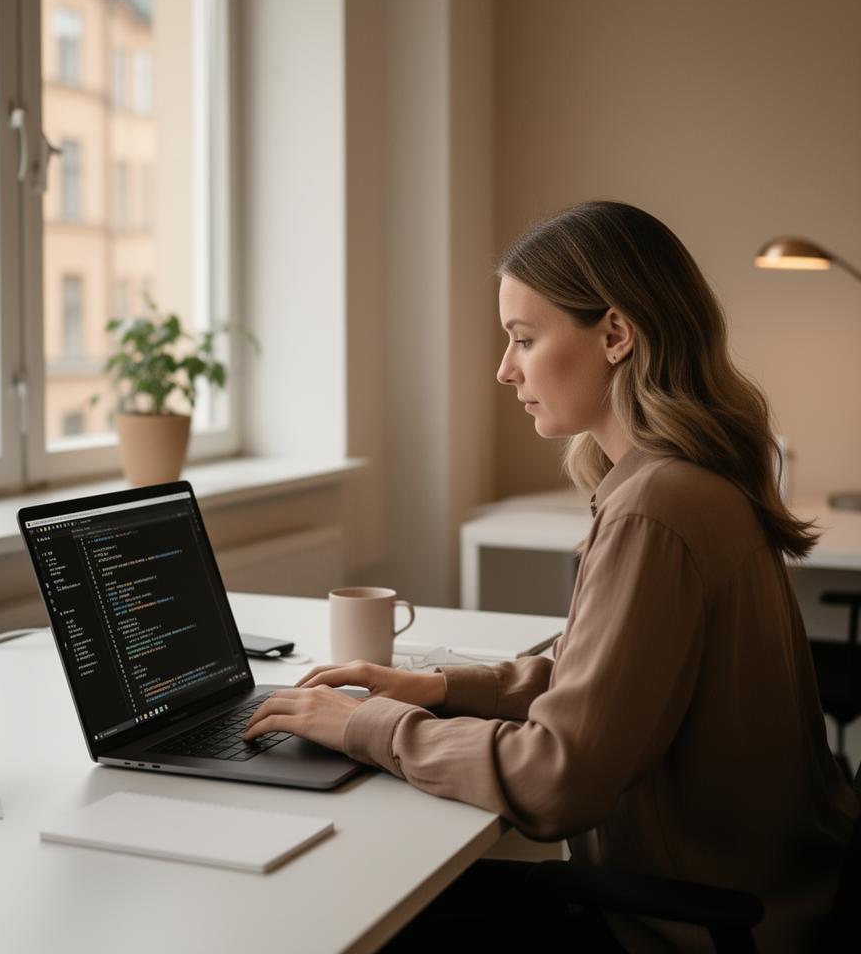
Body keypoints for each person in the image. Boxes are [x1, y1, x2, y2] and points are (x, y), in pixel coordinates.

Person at [243, 201, 858, 952]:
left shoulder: (655, 509)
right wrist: (435, 689)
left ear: (616, 334)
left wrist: (367, 726)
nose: (505, 370)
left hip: (693, 922)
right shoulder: (684, 482)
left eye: (524, 340)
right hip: (771, 892)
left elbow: (555, 779)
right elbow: (599, 688)